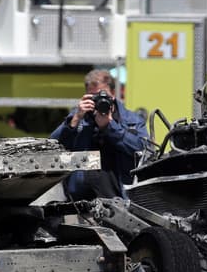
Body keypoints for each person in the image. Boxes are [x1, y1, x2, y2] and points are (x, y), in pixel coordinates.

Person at [50, 67, 150, 200]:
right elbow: (52, 146)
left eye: (104, 96)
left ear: (113, 94)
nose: (100, 101)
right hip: (81, 197)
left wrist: (110, 127)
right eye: (95, 97)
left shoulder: (131, 120)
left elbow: (144, 151)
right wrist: (74, 121)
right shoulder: (79, 117)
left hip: (119, 196)